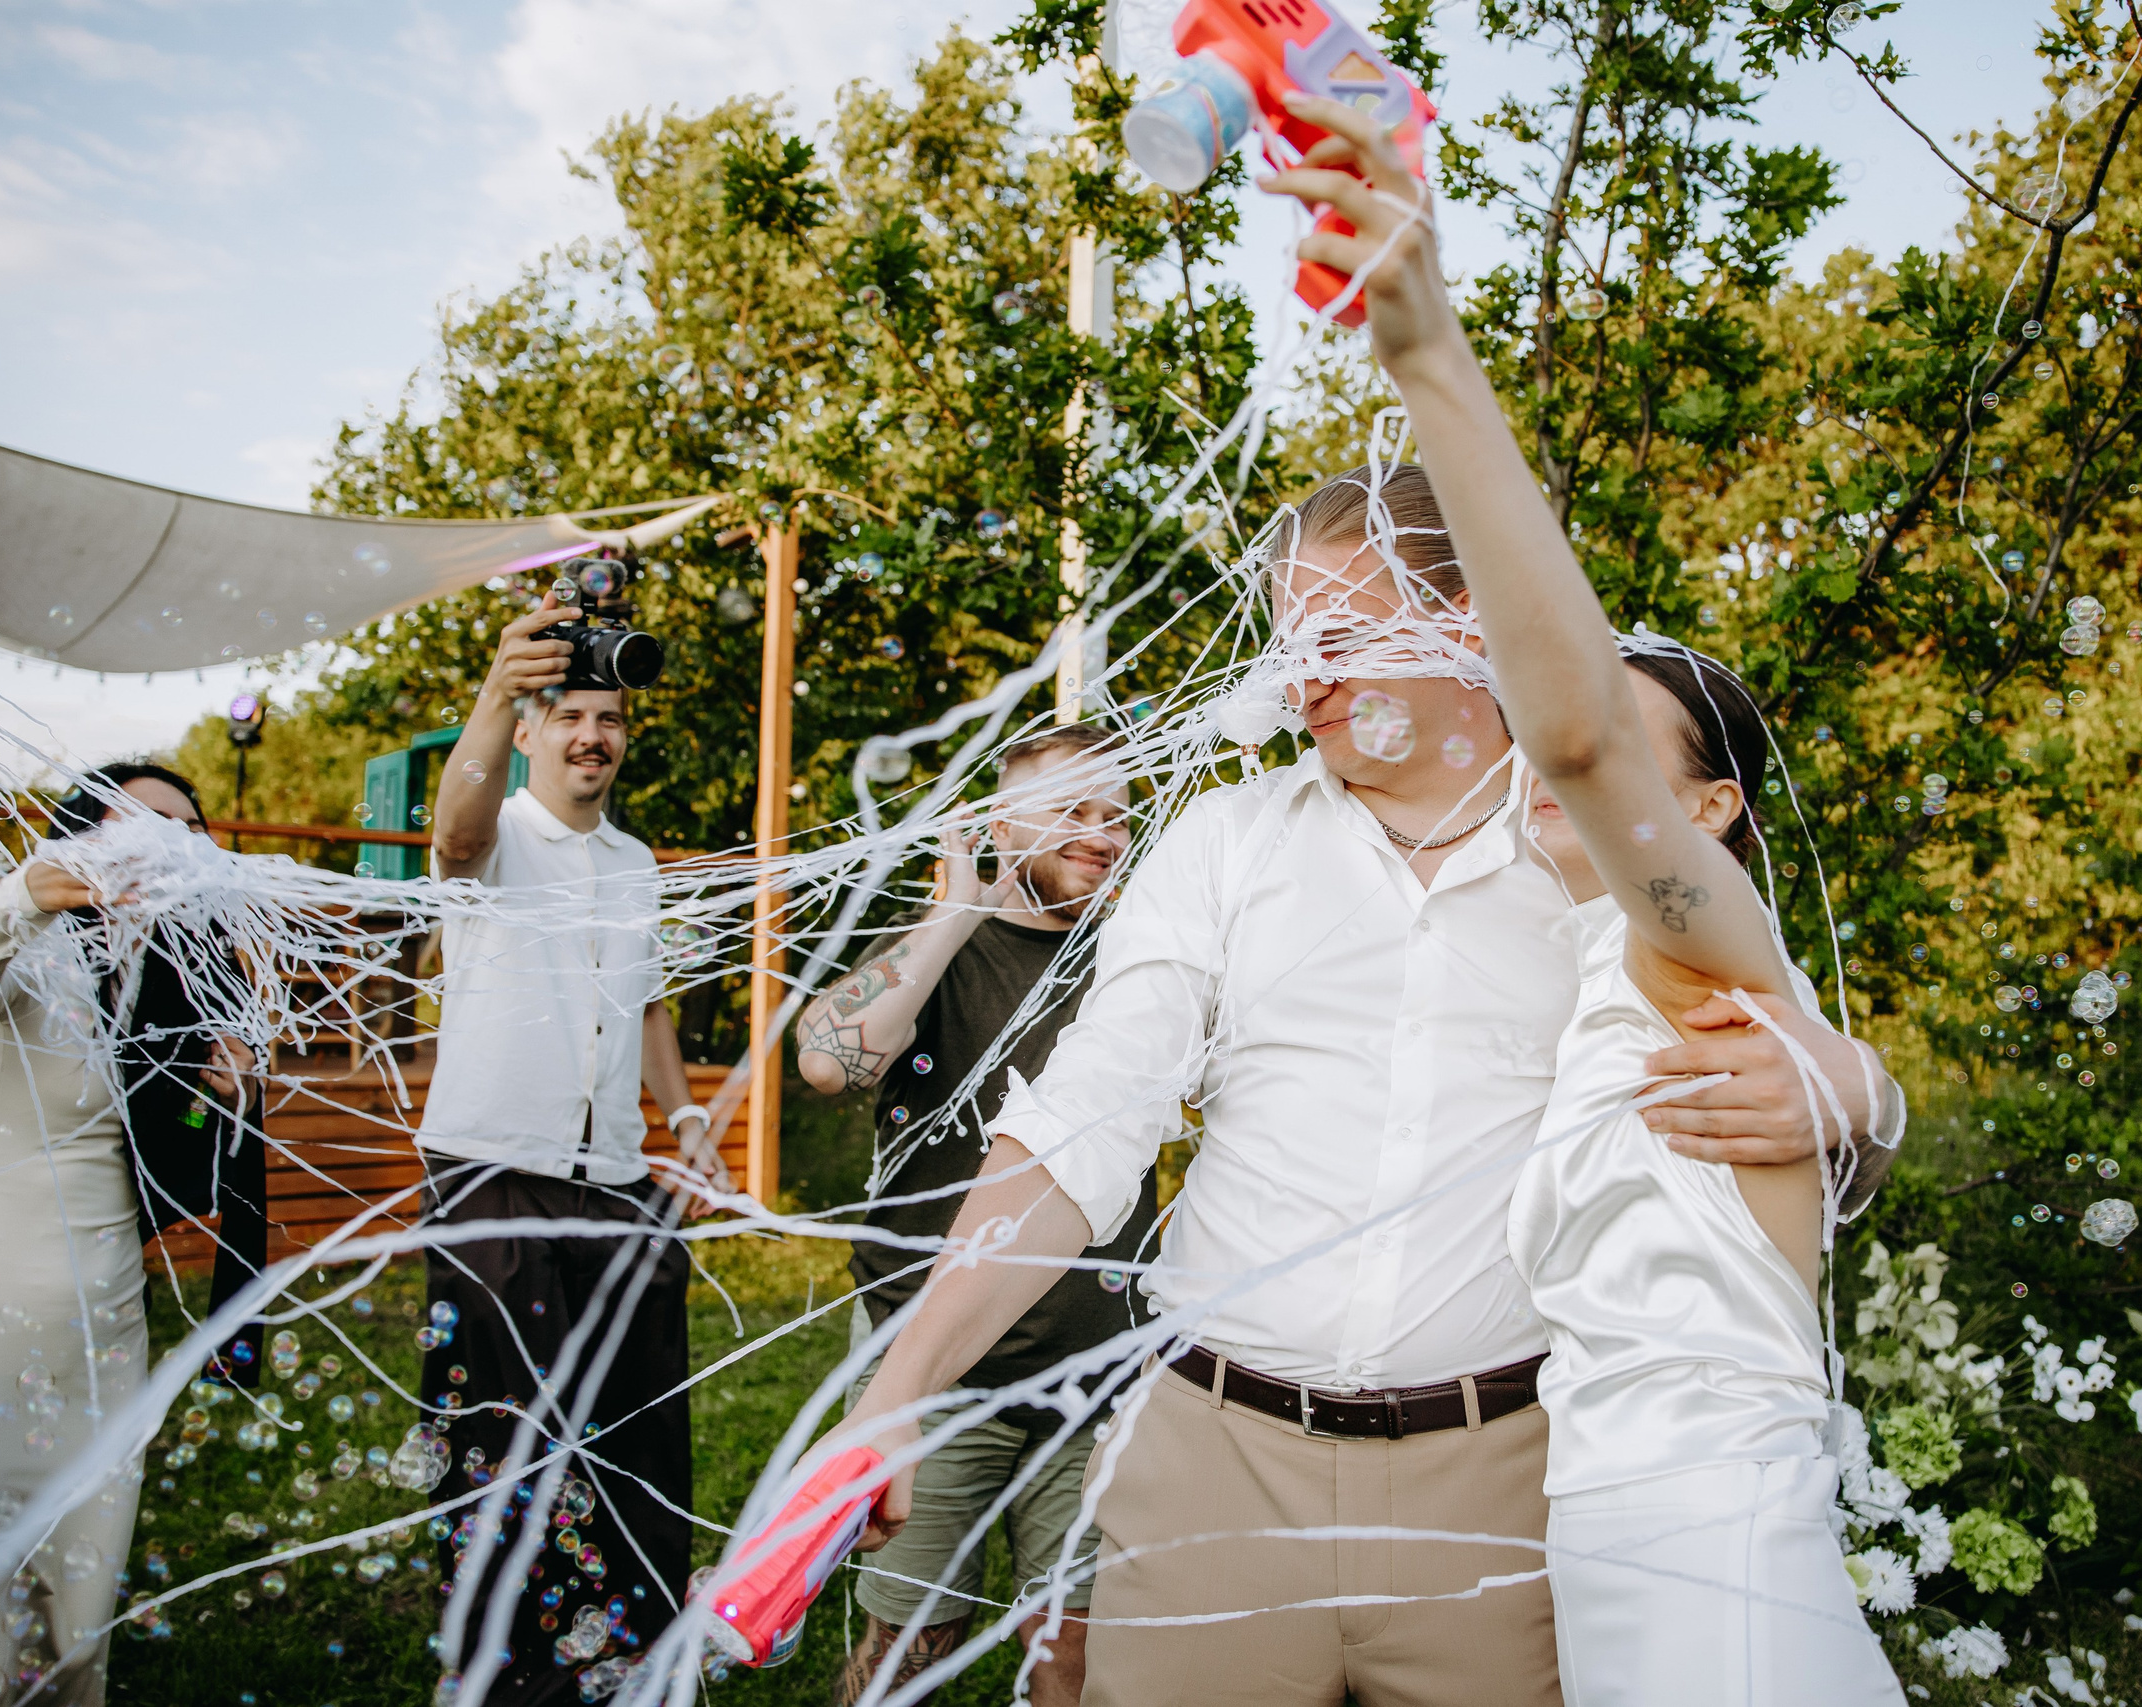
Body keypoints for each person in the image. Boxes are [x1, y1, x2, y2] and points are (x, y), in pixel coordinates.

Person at [815, 503, 1905, 1699]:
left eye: (1338, 635)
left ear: (1462, 625)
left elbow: (1777, 1106)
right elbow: (1084, 1120)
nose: (1305, 680)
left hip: (1506, 1494)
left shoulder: (1592, 848)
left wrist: (1859, 1093)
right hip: (1209, 1473)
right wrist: (900, 1389)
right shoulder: (1225, 843)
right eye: (1289, 644)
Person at [1262, 95, 1906, 1701]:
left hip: (1723, 1557)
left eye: (1632, 760)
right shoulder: (1581, 964)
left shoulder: (1699, 951)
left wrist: (1427, 352)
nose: (1576, 773)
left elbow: (1570, 731)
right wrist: (1868, 1092)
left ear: (1709, 812)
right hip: (1599, 1548)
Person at [0, 763, 257, 1707]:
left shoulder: (184, 984)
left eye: (189, 826)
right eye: (145, 818)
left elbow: (177, 1161)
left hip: (100, 1332)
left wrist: (224, 1102)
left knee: (73, 1622)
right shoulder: (25, 939)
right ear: (84, 834)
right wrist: (21, 896)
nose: (171, 838)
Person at [414, 592, 730, 1704]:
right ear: (530, 733)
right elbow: (455, 834)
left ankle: (634, 1654)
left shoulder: (637, 863)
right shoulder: (492, 836)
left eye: (610, 719)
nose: (593, 736)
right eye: (570, 717)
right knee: (506, 1442)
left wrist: (687, 1123)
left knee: (638, 1427)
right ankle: (505, 1675)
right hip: (494, 1174)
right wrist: (495, 689)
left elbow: (647, 1004)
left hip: (619, 1185)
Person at [794, 723, 1143, 1707]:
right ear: (998, 825)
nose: (1101, 833)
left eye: (1116, 815)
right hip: (933, 1370)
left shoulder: (1138, 964)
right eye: (1072, 809)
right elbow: (827, 1059)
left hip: (1091, 1369)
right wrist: (955, 911)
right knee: (907, 1646)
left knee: (1073, 1653)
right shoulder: (939, 949)